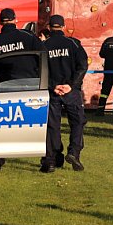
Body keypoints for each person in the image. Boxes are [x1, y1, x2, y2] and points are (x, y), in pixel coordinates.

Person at [0, 7, 45, 170]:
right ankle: (48, 160)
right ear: (16, 20)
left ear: (0, 22)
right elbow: (44, 57)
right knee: (42, 124)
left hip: (7, 88)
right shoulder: (29, 37)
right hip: (32, 86)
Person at [41, 15, 88, 173]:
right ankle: (74, 152)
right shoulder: (73, 44)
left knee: (53, 126)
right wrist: (70, 85)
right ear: (63, 26)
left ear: (49, 27)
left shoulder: (44, 46)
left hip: (52, 92)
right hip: (71, 92)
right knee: (78, 122)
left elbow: (39, 71)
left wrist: (54, 86)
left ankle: (52, 160)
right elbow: (82, 66)